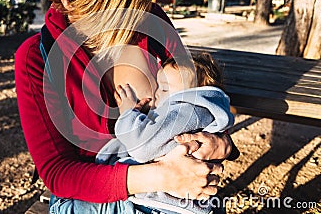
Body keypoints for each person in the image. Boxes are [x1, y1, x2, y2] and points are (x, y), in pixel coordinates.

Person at [15, 0, 235, 213]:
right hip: (94, 201)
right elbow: (58, 173)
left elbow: (191, 96)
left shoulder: (150, 21)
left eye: (137, 4)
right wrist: (162, 176)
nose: (133, 19)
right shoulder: (36, 58)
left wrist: (218, 142)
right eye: (118, 8)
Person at [95, 52, 236, 214]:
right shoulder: (203, 111)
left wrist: (127, 113)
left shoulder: (185, 112)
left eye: (164, 88)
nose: (156, 93)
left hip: (161, 205)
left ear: (191, 93)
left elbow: (141, 146)